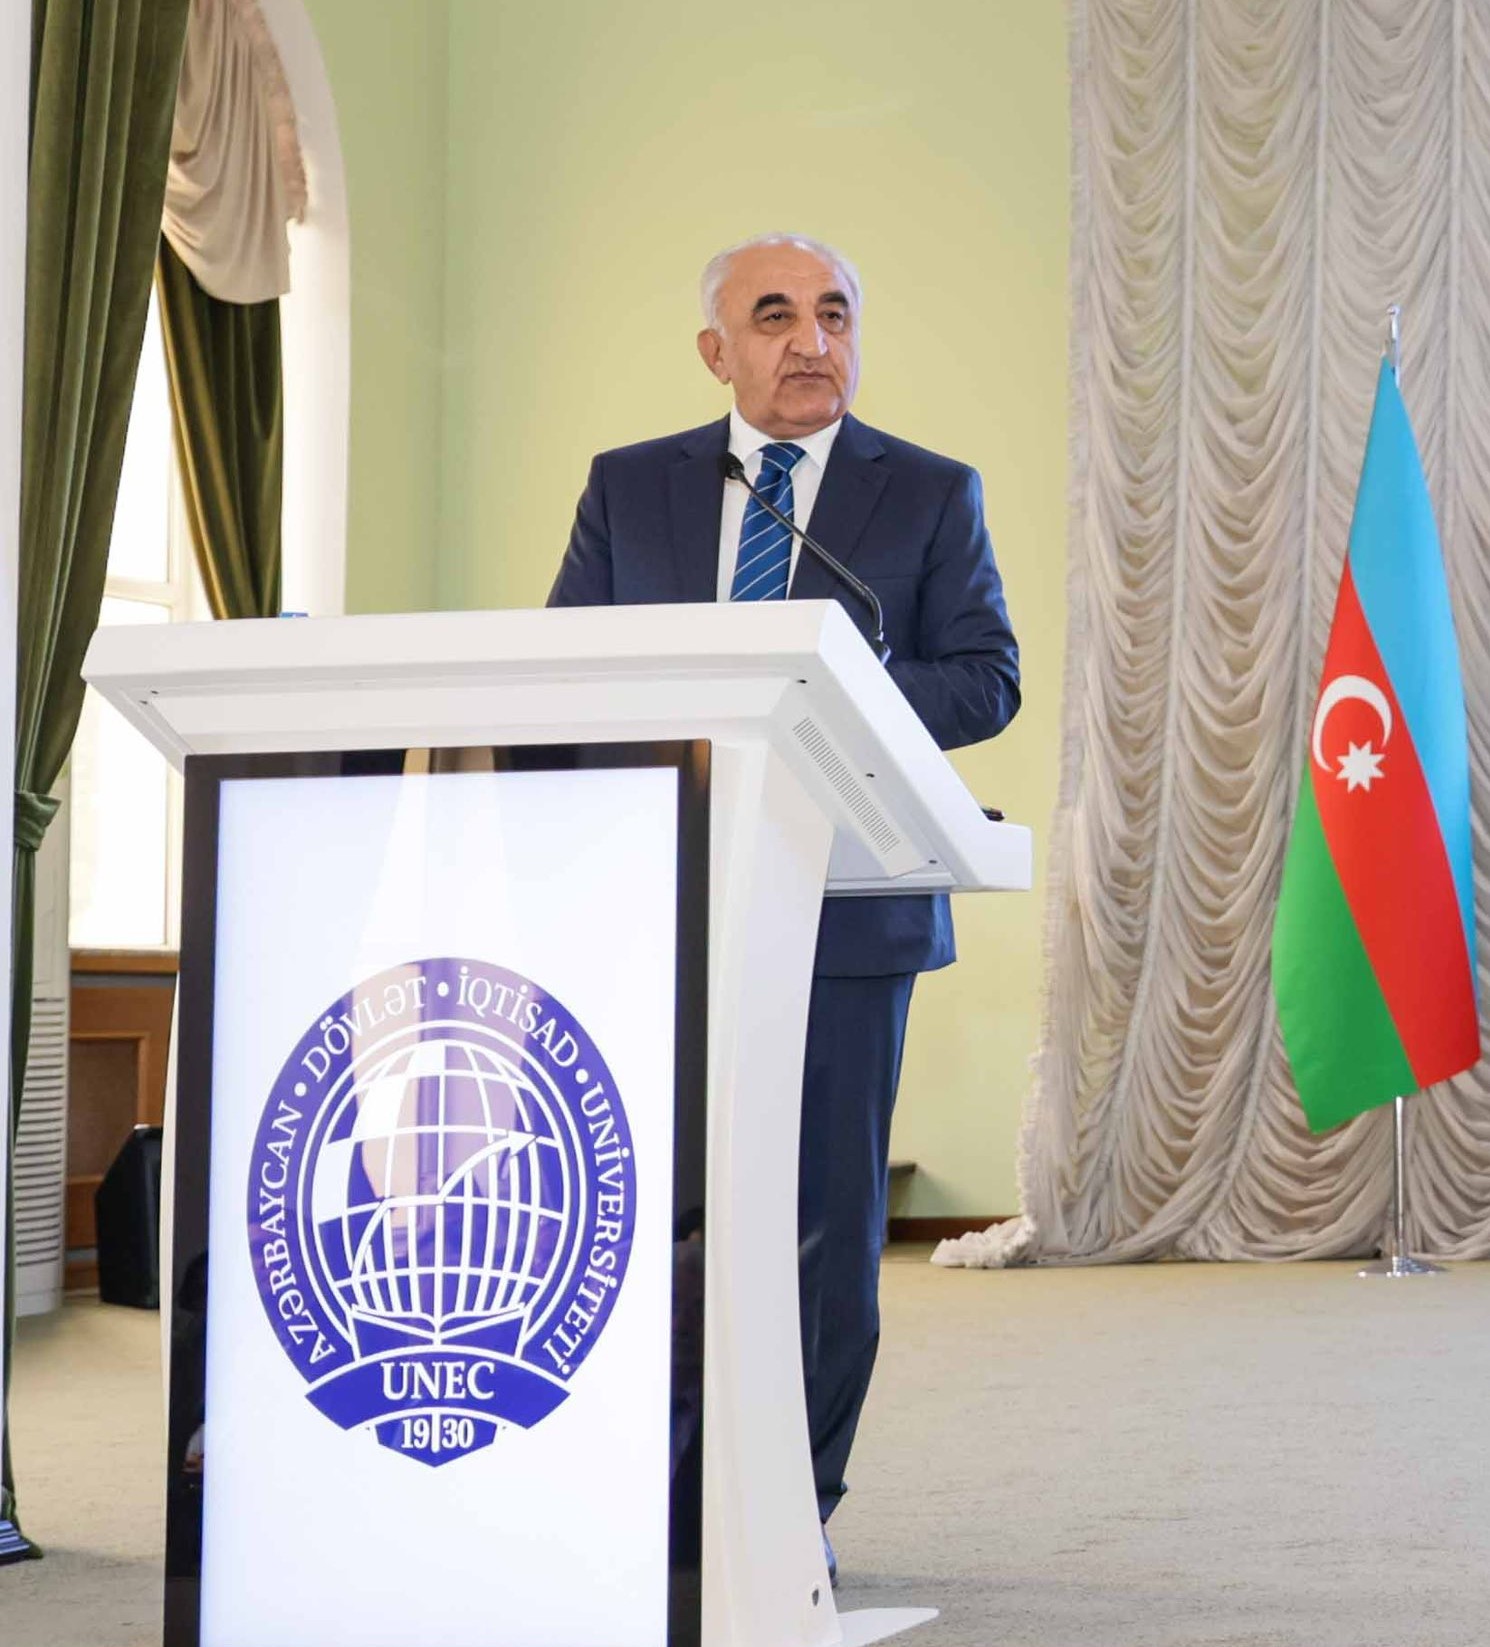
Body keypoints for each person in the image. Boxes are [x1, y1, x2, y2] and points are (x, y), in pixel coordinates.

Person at [548, 232, 1020, 1574]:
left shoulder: (926, 492)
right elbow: (565, 662)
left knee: (823, 1219)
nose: (811, 341)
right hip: (659, 898)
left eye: (834, 313)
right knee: (646, 1209)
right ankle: (655, 1483)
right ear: (717, 350)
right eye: (774, 316)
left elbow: (985, 678)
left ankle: (792, 1503)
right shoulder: (631, 486)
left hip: (848, 904)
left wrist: (824, 688)